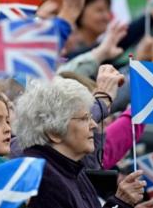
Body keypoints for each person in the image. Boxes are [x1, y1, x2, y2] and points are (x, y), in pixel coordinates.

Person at [13, 78, 146, 208]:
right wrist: (120, 203)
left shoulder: (70, 169)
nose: (93, 125)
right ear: (54, 131)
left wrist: (121, 202)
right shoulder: (43, 179)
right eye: (84, 118)